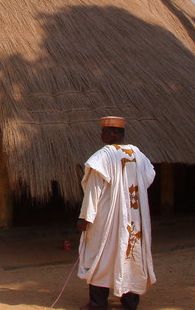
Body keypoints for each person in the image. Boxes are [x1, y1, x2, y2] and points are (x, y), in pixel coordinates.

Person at [76, 116, 156, 310]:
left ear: (114, 133)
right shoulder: (137, 153)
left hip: (108, 218)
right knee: (131, 255)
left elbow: (94, 190)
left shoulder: (103, 156)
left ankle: (98, 303)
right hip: (134, 217)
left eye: (103, 131)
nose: (100, 135)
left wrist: (85, 217)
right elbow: (149, 176)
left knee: (100, 254)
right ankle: (130, 302)